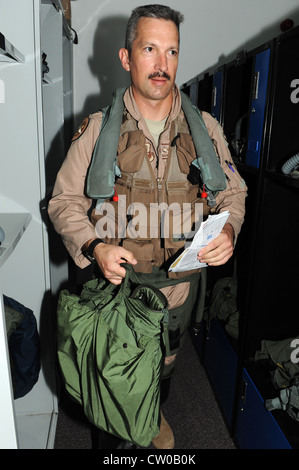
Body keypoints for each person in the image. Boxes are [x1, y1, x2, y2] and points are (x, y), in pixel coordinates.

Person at [48, 4, 247, 449]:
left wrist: (229, 228)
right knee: (113, 379)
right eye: (150, 49)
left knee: (163, 369)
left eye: (171, 51)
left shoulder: (206, 130)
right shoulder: (98, 132)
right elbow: (64, 203)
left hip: (178, 287)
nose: (162, 64)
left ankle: (151, 419)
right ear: (126, 57)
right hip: (119, 289)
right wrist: (93, 246)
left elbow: (234, 194)